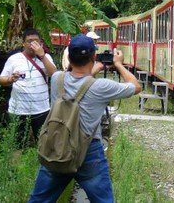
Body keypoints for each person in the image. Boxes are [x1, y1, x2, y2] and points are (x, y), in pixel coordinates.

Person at [28, 34, 142, 202]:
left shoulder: (57, 79)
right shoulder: (101, 86)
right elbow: (136, 86)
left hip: (57, 148)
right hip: (89, 151)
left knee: (38, 200)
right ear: (93, 57)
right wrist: (118, 64)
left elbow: (73, 77)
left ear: (69, 57)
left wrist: (92, 68)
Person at [0, 28, 57, 148]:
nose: (33, 44)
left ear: (41, 43)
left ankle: (42, 165)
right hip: (18, 109)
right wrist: (10, 79)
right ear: (23, 43)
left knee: (43, 144)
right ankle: (15, 166)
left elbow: (54, 74)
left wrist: (42, 56)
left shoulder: (47, 58)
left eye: (36, 41)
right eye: (29, 41)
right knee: (17, 144)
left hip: (41, 109)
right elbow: (1, 79)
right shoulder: (14, 59)